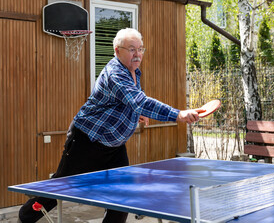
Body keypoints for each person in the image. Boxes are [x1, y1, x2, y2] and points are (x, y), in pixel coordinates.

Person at [18, 28, 202, 223]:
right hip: (87, 140)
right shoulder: (115, 73)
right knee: (61, 188)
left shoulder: (133, 72)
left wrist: (137, 113)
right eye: (131, 49)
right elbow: (138, 100)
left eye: (140, 49)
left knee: (123, 195)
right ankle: (25, 217)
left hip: (113, 145)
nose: (137, 54)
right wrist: (178, 114)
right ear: (117, 51)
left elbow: (129, 102)